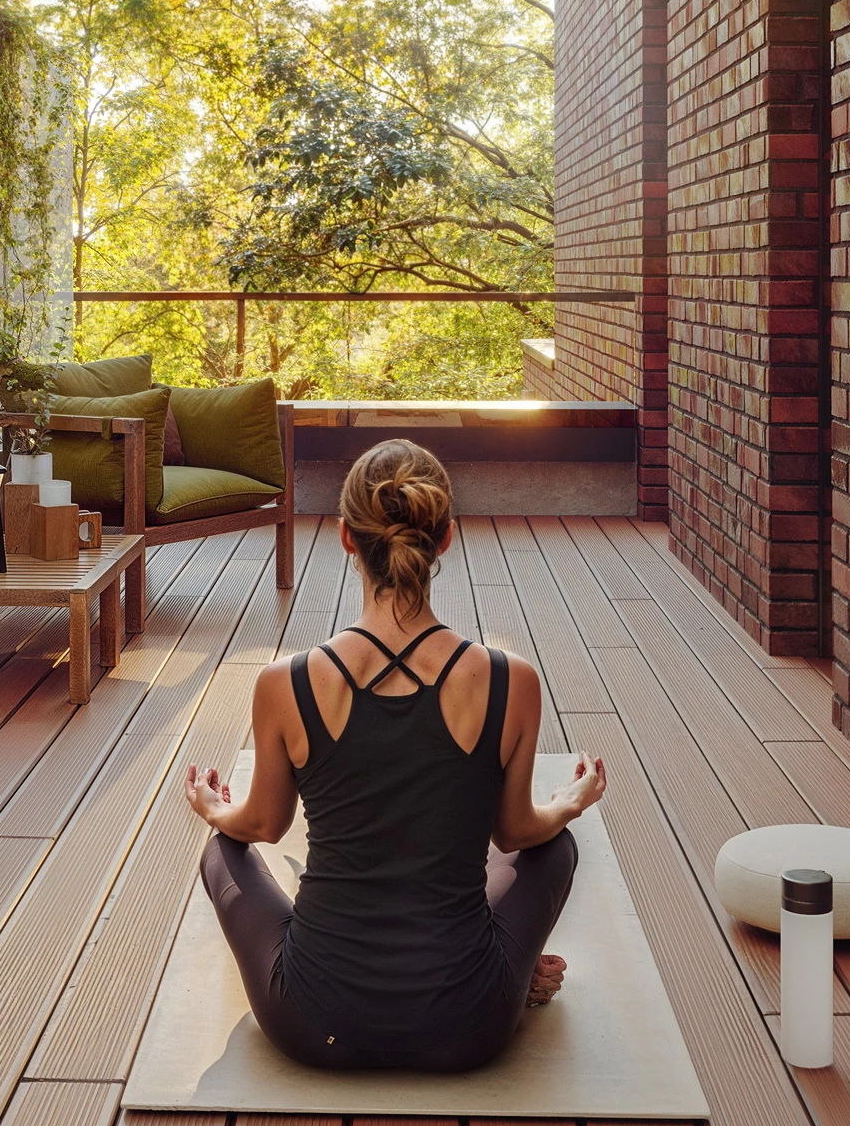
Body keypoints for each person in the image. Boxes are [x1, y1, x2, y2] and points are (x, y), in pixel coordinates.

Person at [185, 438, 606, 1072]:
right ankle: (516, 979)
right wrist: (569, 802)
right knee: (559, 844)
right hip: (470, 1026)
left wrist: (214, 808)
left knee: (223, 848)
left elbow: (263, 826)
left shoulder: (285, 683)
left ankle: (510, 971)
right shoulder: (510, 679)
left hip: (311, 1023)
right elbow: (516, 833)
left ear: (347, 539)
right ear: (445, 539)